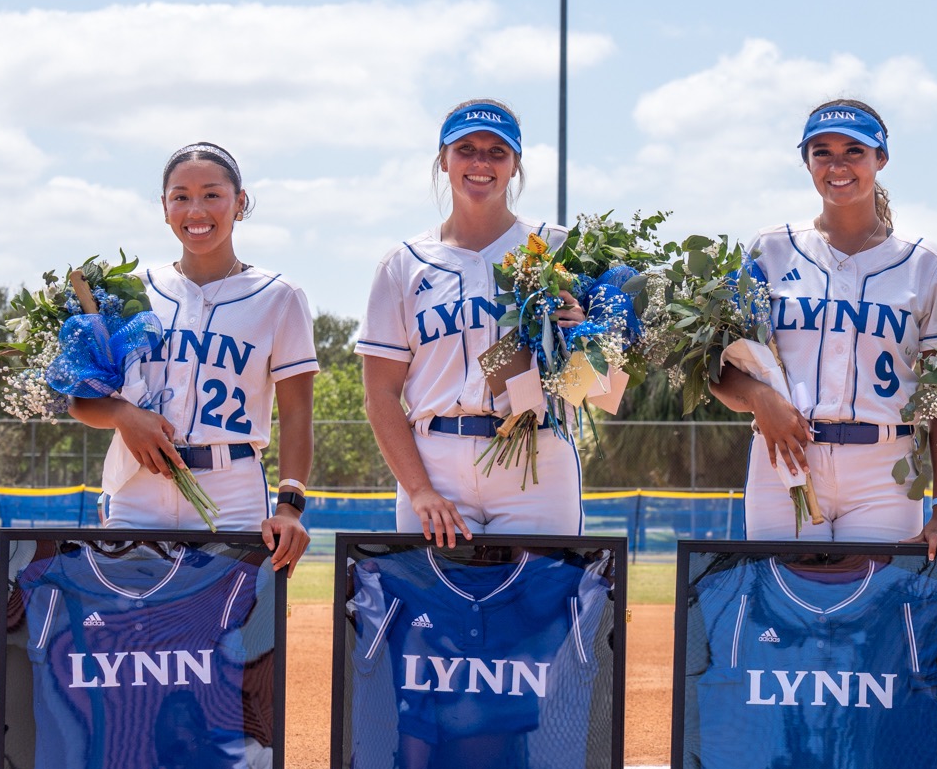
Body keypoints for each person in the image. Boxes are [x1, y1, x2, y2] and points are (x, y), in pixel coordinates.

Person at [708, 99, 937, 562]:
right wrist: (759, 398)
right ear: (806, 161)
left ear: (880, 159)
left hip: (885, 468)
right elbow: (713, 366)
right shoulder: (770, 250)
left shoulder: (926, 262)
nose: (837, 165)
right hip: (784, 460)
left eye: (854, 151)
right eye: (822, 152)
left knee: (869, 624)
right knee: (782, 616)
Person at [68, 142, 317, 571]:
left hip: (231, 490)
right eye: (180, 196)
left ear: (240, 203)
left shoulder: (279, 297)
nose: (196, 210)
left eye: (212, 194)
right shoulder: (130, 293)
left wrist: (290, 507)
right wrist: (123, 416)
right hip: (136, 485)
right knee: (126, 628)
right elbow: (81, 401)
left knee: (234, 631)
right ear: (164, 208)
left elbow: (297, 415)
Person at [358, 100, 584, 545]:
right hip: (436, 459)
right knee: (435, 611)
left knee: (539, 609)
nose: (481, 162)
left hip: (537, 456)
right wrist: (419, 489)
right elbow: (379, 394)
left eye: (497, 152)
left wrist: (582, 336)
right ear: (443, 160)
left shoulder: (557, 247)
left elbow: (598, 380)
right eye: (466, 148)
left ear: (516, 165)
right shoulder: (404, 264)